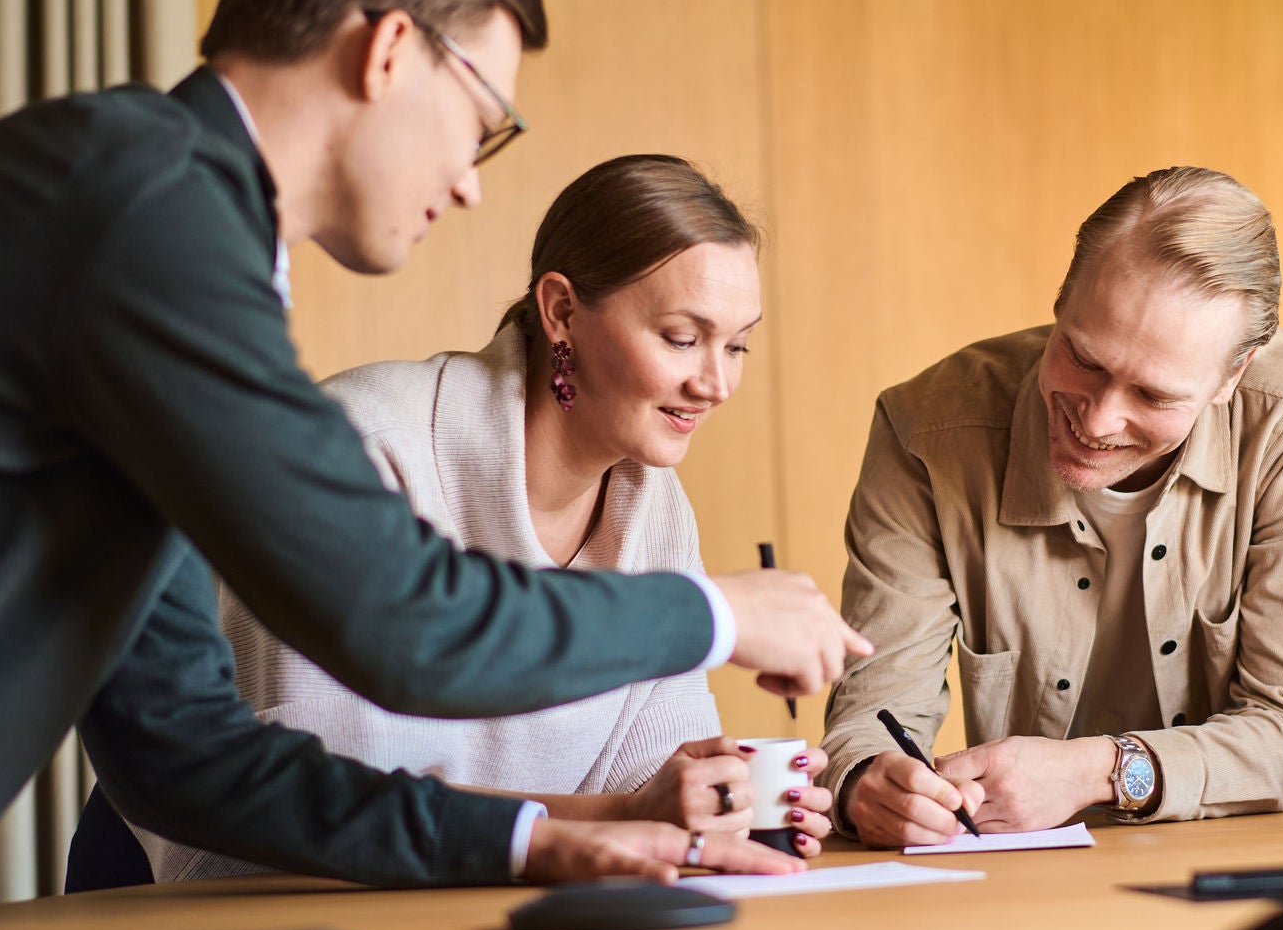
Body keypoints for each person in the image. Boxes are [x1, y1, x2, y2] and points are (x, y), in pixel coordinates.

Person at [0, 0, 869, 903]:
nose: (469, 180)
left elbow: (179, 753)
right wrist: (714, 615)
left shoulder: (154, 213)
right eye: (480, 118)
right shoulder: (147, 213)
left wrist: (535, 842)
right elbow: (402, 622)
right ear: (389, 50)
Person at [118, 155, 835, 882]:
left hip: (485, 917)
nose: (715, 383)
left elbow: (652, 776)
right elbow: (319, 813)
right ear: (561, 311)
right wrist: (609, 818)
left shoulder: (653, 506)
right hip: (232, 922)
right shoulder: (368, 449)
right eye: (683, 338)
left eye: (738, 344)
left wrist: (721, 800)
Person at [820, 166, 1283, 847]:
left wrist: (1101, 770)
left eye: (1154, 395)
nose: (1100, 419)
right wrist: (868, 780)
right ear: (1061, 302)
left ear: (1234, 375)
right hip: (1044, 868)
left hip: (1272, 840)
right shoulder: (925, 434)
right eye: (1083, 356)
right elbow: (875, 706)